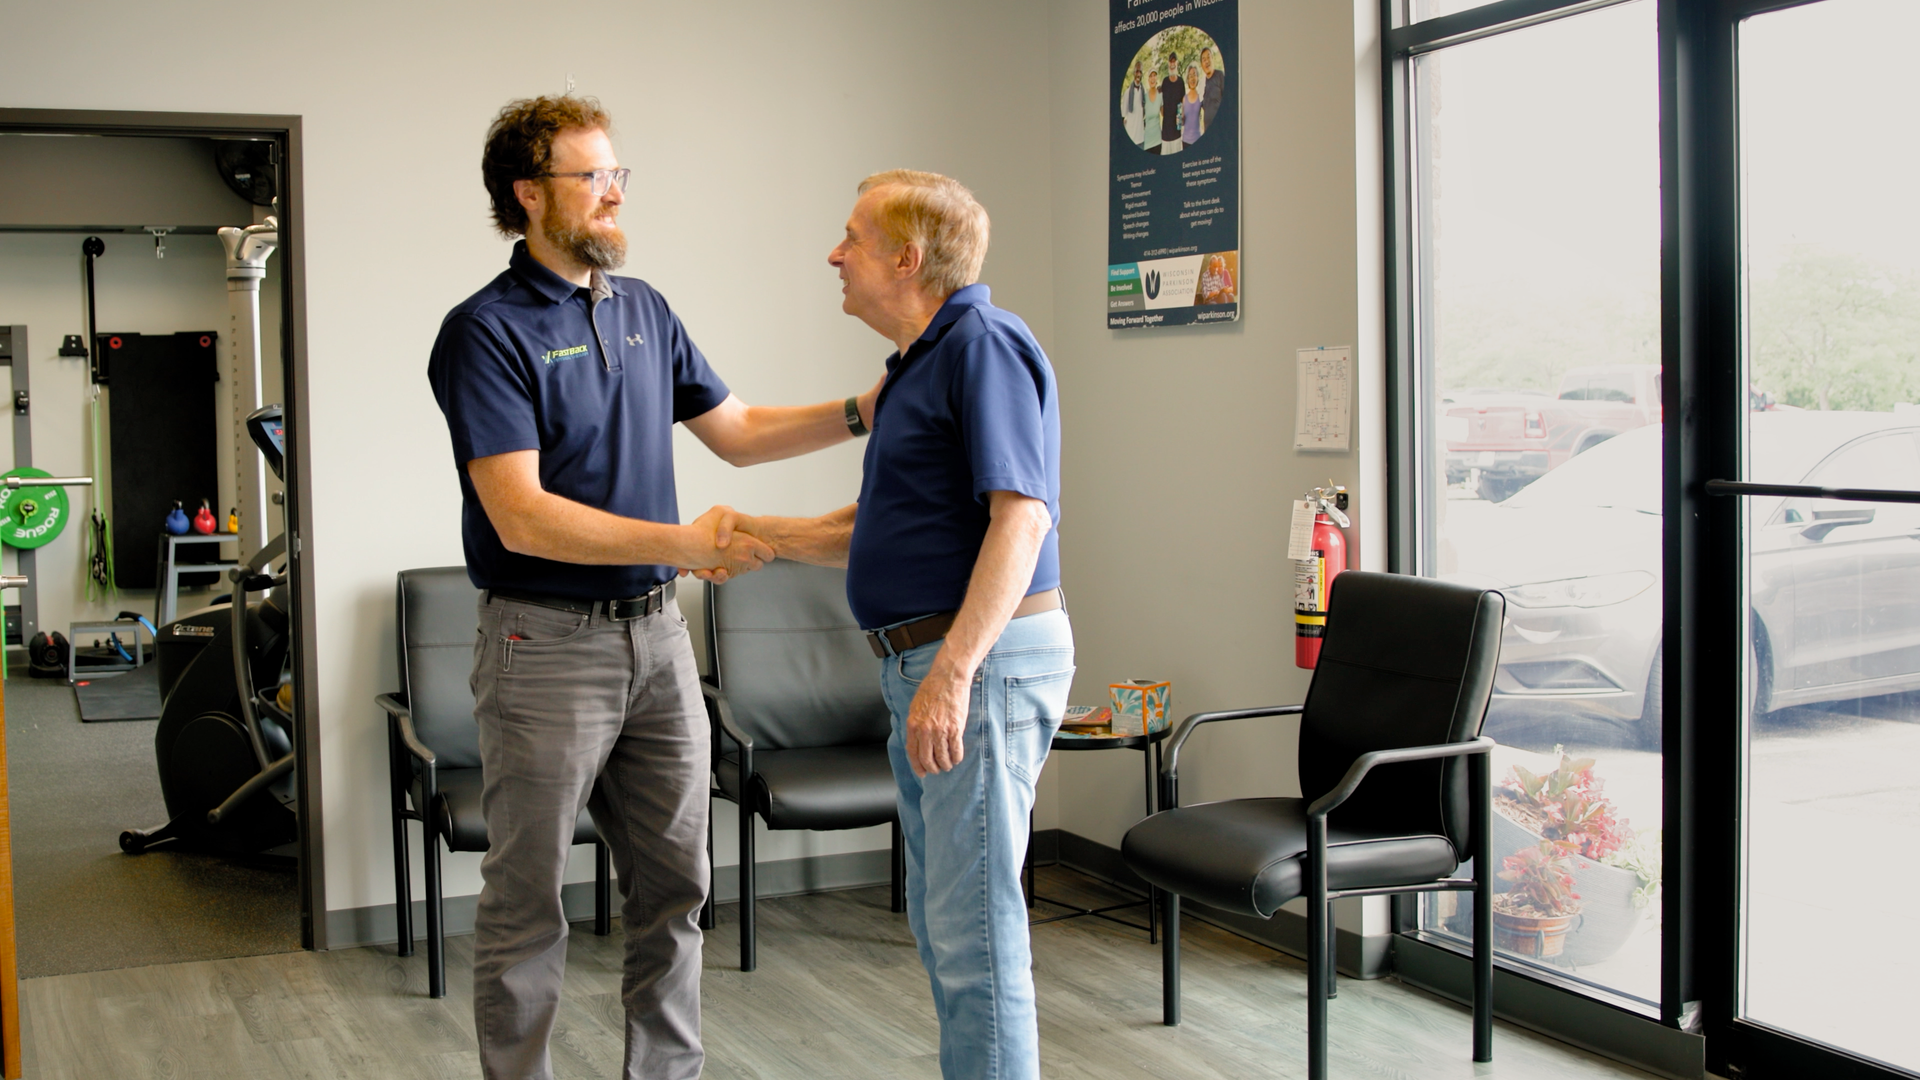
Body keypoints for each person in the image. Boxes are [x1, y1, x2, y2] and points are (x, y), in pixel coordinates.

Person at [427, 94, 881, 1080]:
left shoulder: (644, 310)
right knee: (528, 902)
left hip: (659, 642)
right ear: (528, 193)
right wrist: (686, 543)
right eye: (592, 176)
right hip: (544, 646)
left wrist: (862, 409)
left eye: (617, 174)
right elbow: (522, 515)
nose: (614, 194)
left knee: (677, 887)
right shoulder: (484, 332)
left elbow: (739, 431)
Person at [712, 170, 1071, 1080]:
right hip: (932, 662)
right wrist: (754, 533)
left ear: (908, 260)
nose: (834, 255)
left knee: (973, 930)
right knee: (943, 919)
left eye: (853, 239)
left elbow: (1022, 519)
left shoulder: (983, 344)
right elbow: (876, 527)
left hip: (973, 663)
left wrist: (952, 675)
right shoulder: (917, 364)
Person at [1157, 53, 1184, 155]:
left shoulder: (1181, 82)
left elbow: (1183, 103)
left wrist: (1181, 118)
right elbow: (1160, 101)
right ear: (1168, 63)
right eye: (1170, 61)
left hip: (1177, 134)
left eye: (1174, 61)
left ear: (1177, 63)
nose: (1172, 64)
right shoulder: (1164, 82)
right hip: (1165, 134)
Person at [1122, 61, 1146, 147]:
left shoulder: (1144, 92)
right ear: (1133, 73)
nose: (1138, 74)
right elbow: (1123, 116)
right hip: (1131, 137)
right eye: (1137, 71)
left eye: (1140, 72)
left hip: (1141, 138)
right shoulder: (1128, 92)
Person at [1201, 46, 1225, 131]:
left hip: (1220, 128)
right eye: (1204, 59)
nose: (1206, 61)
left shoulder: (1220, 75)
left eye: (1208, 57)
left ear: (1212, 58)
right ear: (1201, 65)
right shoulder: (1202, 84)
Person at [1183, 64, 1203, 147]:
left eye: (1194, 75)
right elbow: (1181, 122)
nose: (1192, 78)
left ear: (1197, 77)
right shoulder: (1184, 99)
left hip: (1198, 139)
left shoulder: (1201, 97)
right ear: (1187, 79)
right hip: (1185, 141)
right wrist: (1179, 119)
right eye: (1190, 76)